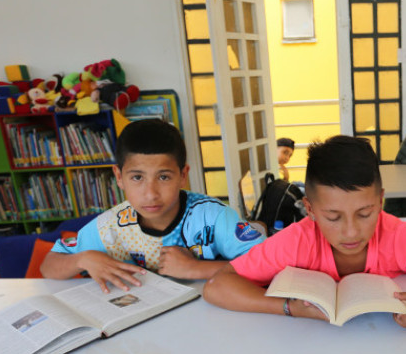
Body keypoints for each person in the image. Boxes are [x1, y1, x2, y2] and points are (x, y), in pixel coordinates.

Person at [204, 135, 406, 330]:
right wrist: (287, 308)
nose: (351, 231)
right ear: (310, 209)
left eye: (365, 213)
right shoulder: (296, 240)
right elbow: (218, 286)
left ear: (381, 200)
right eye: (333, 217)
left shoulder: (397, 235)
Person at [41, 119, 264, 293]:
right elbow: (49, 266)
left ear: (183, 175)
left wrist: (195, 268)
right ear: (119, 176)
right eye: (137, 177)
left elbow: (270, 264)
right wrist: (83, 258)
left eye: (164, 177)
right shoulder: (107, 228)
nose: (150, 194)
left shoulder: (214, 217)